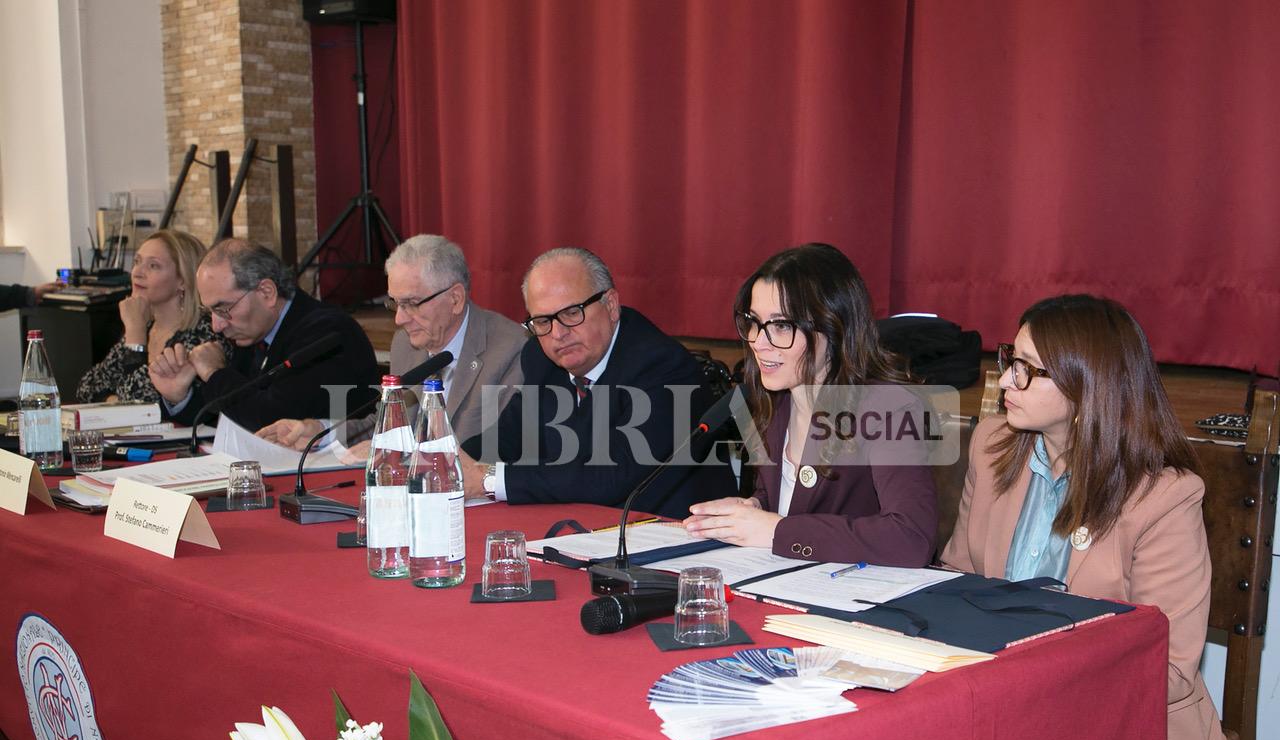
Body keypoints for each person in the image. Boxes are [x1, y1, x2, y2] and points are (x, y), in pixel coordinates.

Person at [939, 294, 1225, 740]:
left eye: (1028, 370)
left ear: (1086, 386)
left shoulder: (1163, 496)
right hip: (1002, 709)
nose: (1005, 383)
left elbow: (1166, 668)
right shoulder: (993, 445)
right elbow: (959, 579)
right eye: (1009, 360)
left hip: (1115, 734)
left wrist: (1030, 688)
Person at [682, 243, 937, 565]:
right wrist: (755, 509)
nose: (759, 342)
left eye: (782, 326)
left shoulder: (889, 409)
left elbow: (911, 538)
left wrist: (778, 530)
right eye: (754, 322)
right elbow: (789, 502)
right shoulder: (774, 399)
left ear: (834, 329)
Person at [459, 247, 736, 518]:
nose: (558, 334)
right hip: (586, 528)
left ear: (611, 305)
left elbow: (610, 476)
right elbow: (507, 437)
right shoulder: (542, 359)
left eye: (571, 313)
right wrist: (448, 464)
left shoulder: (660, 366)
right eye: (543, 321)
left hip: (674, 536)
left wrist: (488, 480)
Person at [256, 234, 525, 452]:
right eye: (394, 303)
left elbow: (497, 449)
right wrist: (319, 432)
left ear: (455, 299)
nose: (399, 319)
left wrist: (401, 455)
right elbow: (385, 424)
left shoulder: (510, 348)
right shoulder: (405, 345)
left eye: (411, 304)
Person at [148, 238, 379, 432]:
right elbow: (224, 415)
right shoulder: (249, 332)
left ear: (266, 292)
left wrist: (215, 373)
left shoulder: (327, 333)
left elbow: (271, 419)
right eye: (209, 311)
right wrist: (179, 396)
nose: (217, 325)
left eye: (223, 309)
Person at [75, 230, 230, 403]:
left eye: (153, 266)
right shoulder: (147, 325)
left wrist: (135, 332)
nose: (137, 273)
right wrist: (116, 401)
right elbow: (86, 387)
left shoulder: (205, 331)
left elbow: (138, 403)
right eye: (137, 262)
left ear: (183, 281)